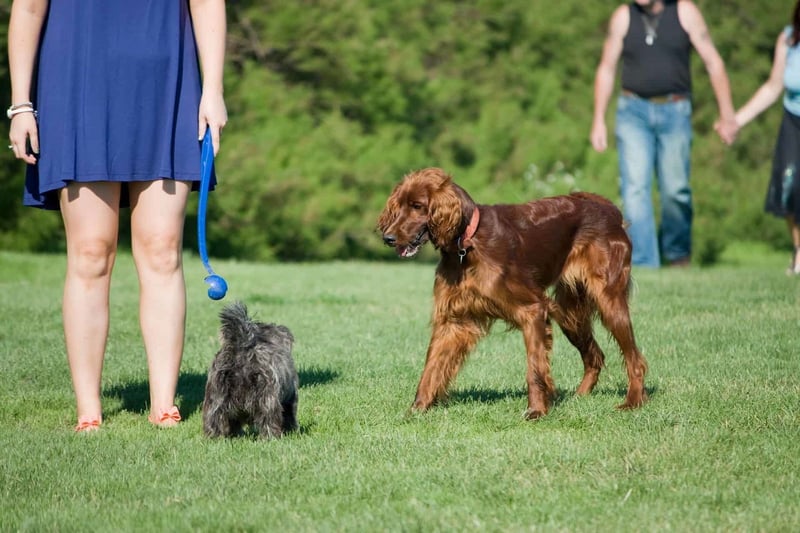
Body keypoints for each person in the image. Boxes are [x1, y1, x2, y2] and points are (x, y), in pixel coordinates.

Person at [7, 0, 228, 431]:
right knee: (91, 252)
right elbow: (29, 10)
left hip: (169, 85)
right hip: (75, 82)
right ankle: (88, 409)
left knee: (163, 250)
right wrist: (21, 105)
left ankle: (163, 403)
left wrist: (213, 90)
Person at [590, 0, 738, 268]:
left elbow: (713, 63)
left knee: (675, 190)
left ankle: (678, 256)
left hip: (675, 111)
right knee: (634, 189)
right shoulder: (623, 17)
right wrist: (598, 119)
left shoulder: (685, 12)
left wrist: (727, 115)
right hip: (632, 111)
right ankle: (645, 262)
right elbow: (606, 68)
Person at [733, 1, 800, 275]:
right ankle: (799, 250)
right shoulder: (788, 38)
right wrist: (736, 121)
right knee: (789, 188)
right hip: (793, 121)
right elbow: (774, 86)